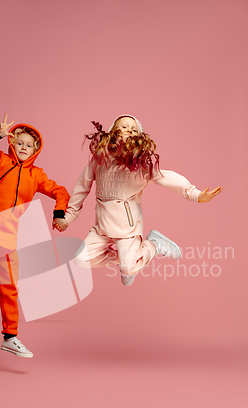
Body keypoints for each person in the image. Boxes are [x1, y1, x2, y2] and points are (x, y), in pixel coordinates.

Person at [53, 115, 222, 286]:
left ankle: (154, 245)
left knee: (130, 270)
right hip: (101, 229)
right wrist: (68, 217)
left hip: (128, 230)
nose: (129, 131)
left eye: (134, 129)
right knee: (81, 259)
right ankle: (126, 259)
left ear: (139, 138)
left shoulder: (140, 166)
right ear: (112, 133)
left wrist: (195, 194)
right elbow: (82, 186)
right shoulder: (99, 160)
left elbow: (167, 177)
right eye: (124, 127)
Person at [0, 114, 70, 358]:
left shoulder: (37, 176)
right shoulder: (0, 160)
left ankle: (10, 337)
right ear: (12, 143)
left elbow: (60, 191)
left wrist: (59, 214)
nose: (23, 147)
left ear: (36, 149)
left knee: (9, 288)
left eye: (29, 145)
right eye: (19, 142)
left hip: (7, 239)